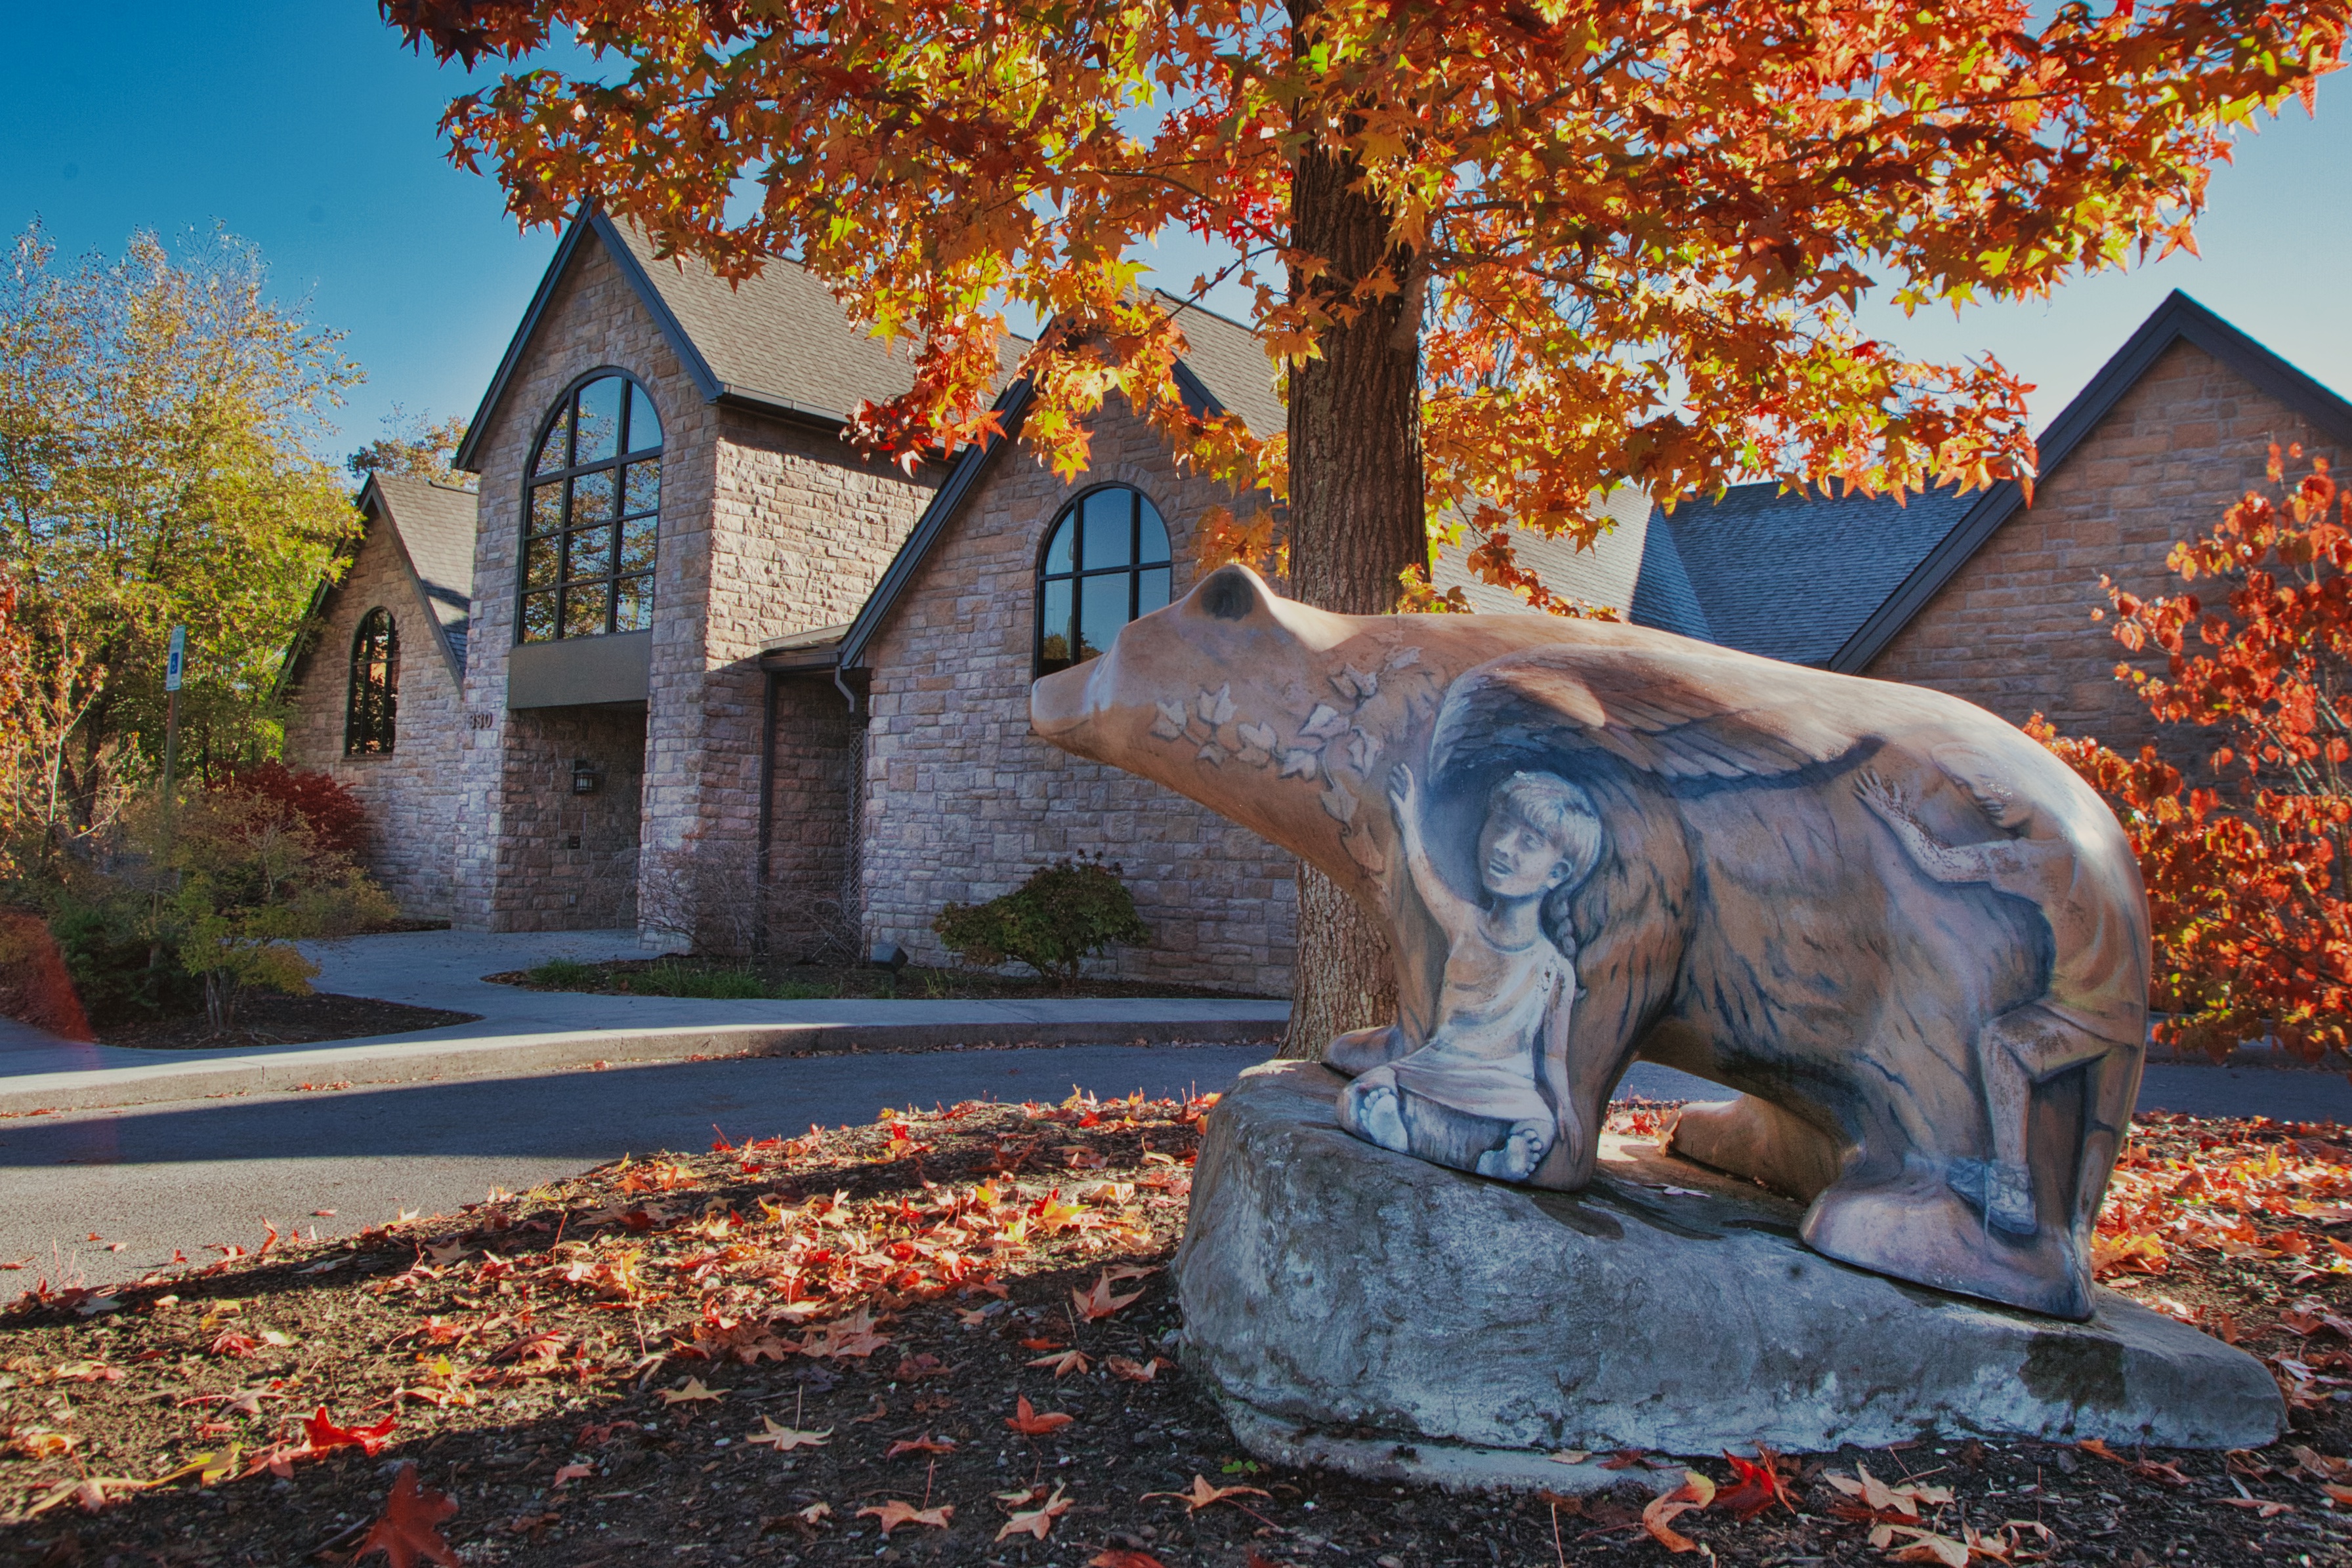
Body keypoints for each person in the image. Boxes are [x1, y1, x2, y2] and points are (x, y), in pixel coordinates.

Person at [1856, 746, 2145, 1237]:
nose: (1986, 796)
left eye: (1996, 783)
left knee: (2000, 1045)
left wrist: (1894, 814)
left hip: (2088, 1013)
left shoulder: (2034, 859)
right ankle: (2062, 1216)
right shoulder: (2078, 848)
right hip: (2123, 1013)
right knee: (2098, 1127)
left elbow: (1942, 865)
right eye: (1974, 788)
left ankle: (2012, 1188)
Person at [1341, 766, 1605, 1180]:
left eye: (1529, 842)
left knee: (1540, 1125)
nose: (1502, 846)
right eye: (1499, 826)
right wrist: (1409, 820)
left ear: (1556, 875)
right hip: (1440, 1066)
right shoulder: (1464, 924)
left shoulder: (1554, 970)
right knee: (1365, 1089)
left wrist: (1565, 1106)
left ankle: (1495, 1155)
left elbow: (1553, 1055)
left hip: (1506, 1087)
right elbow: (1424, 878)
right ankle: (1471, 1152)